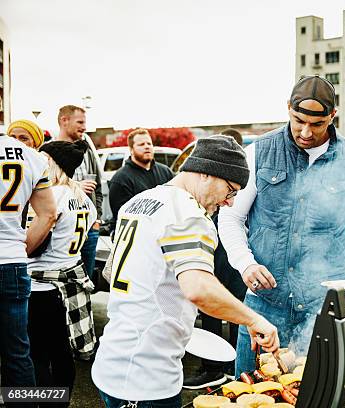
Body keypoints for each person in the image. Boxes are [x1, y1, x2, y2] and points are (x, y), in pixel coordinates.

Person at [91, 136, 279, 408]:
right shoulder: (189, 214)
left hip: (112, 360)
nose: (229, 202)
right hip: (147, 377)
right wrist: (254, 320)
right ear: (205, 173)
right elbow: (199, 288)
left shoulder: (139, 201)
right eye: (230, 190)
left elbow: (114, 274)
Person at [218, 75, 345, 375]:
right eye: (298, 121)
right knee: (248, 392)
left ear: (332, 116)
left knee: (318, 394)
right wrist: (245, 264)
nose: (306, 132)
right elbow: (230, 217)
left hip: (323, 306)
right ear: (288, 109)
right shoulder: (258, 152)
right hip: (264, 303)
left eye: (317, 124)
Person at [27, 140, 97, 407]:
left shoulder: (51, 196)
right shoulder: (83, 198)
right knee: (62, 353)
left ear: (53, 163)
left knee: (38, 355)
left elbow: (31, 246)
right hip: (68, 284)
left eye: (42, 157)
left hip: (41, 285)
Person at [183, 129, 248, 389]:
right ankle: (212, 367)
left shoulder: (242, 182)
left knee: (233, 309)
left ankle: (231, 364)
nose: (229, 199)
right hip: (213, 256)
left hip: (236, 255)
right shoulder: (189, 207)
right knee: (211, 310)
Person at [0, 134, 56, 402]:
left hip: (12, 257)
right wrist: (20, 250)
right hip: (12, 262)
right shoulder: (31, 156)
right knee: (17, 352)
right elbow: (48, 213)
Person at [56, 105, 103, 280]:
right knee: (64, 280)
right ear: (64, 120)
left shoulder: (87, 151)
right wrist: (75, 186)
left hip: (89, 228)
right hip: (62, 230)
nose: (84, 127)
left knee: (87, 282)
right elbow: (45, 189)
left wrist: (96, 218)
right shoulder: (49, 152)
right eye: (80, 122)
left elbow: (98, 188)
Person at [108, 128, 173, 231]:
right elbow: (122, 217)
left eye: (149, 143)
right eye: (141, 144)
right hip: (135, 234)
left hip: (165, 232)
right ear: (131, 149)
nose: (147, 147)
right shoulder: (120, 179)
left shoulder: (166, 172)